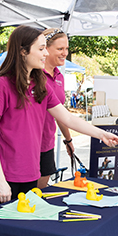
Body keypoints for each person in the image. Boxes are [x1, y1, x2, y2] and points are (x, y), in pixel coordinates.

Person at [0, 25, 118, 208]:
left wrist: (101, 134)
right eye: (41, 49)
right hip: (4, 176)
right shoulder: (1, 85)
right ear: (23, 51)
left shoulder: (41, 85)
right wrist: (0, 179)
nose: (45, 54)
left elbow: (68, 118)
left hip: (31, 173)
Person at [37, 28, 73, 189]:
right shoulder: (34, 74)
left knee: (39, 193)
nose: (64, 53)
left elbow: (60, 113)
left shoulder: (59, 76)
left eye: (66, 48)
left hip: (46, 143)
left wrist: (68, 140)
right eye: (60, 49)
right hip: (28, 144)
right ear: (45, 49)